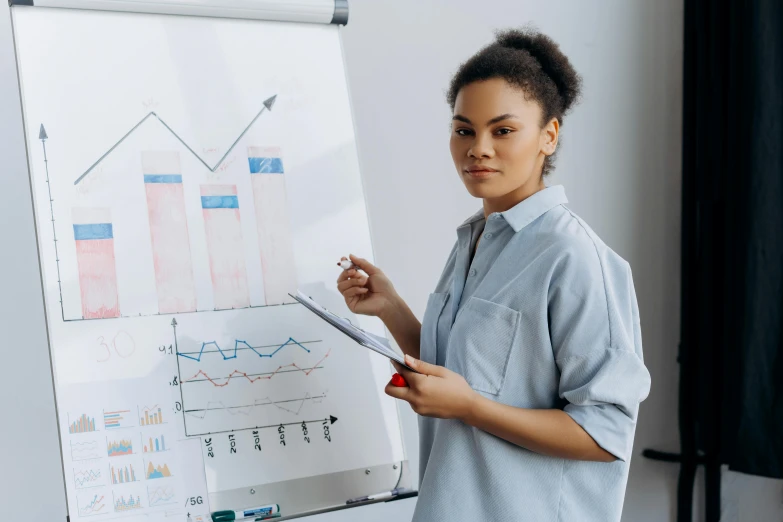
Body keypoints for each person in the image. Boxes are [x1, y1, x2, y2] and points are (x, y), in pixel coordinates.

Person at [336, 28, 651, 522]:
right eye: (464, 130)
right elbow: (464, 373)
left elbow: (604, 434)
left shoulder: (575, 258)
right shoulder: (474, 240)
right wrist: (390, 308)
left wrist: (470, 408)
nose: (477, 148)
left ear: (549, 135)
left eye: (502, 130)